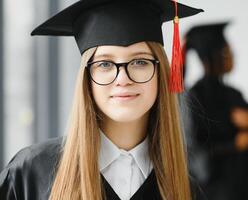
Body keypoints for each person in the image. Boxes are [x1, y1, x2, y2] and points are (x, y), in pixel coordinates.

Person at [0, 0, 206, 200]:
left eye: (140, 61)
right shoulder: (31, 173)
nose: (123, 79)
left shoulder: (185, 191)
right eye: (105, 64)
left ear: (160, 73)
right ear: (87, 78)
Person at [183, 22, 248, 200]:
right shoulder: (193, 99)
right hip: (209, 193)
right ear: (210, 57)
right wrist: (233, 146)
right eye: (225, 52)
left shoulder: (235, 95)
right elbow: (191, 154)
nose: (232, 57)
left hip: (242, 191)